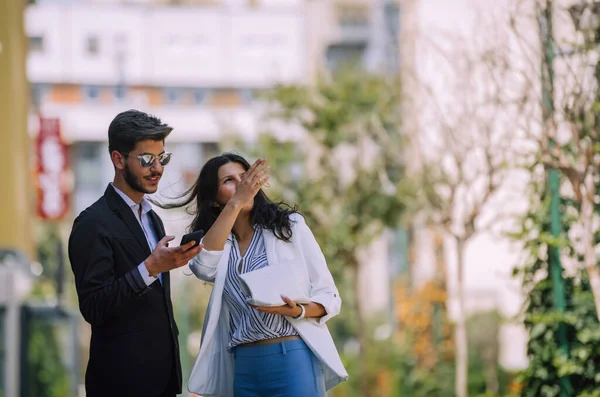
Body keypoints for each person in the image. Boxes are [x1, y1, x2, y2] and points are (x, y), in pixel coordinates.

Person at [169, 153, 348, 397]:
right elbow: (203, 267)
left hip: (290, 357)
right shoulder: (218, 244)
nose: (242, 184)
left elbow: (329, 294)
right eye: (229, 181)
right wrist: (235, 203)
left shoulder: (289, 227)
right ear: (214, 200)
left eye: (244, 177)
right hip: (244, 365)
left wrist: (299, 310)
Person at [68, 109, 203, 397]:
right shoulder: (92, 223)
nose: (157, 168)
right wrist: (150, 269)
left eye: (162, 158)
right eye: (146, 159)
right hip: (120, 381)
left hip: (163, 377)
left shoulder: (152, 218)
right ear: (118, 159)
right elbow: (93, 306)